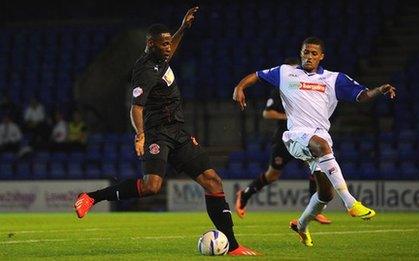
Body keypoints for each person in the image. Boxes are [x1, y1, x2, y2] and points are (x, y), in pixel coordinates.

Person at [73, 7, 259, 256]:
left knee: (213, 181)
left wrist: (182, 28)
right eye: (164, 44)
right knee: (152, 187)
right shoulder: (144, 70)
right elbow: (136, 107)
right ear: (150, 44)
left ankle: (234, 246)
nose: (169, 47)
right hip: (157, 134)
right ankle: (92, 197)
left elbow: (171, 51)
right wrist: (140, 135)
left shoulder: (160, 58)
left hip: (178, 132)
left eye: (170, 42)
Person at [233, 37, 396, 247]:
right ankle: (350, 202)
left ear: (321, 56)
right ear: (301, 53)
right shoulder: (286, 72)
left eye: (313, 53)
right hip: (296, 136)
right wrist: (239, 87)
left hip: (319, 136)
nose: (308, 56)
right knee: (321, 147)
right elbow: (257, 75)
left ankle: (301, 225)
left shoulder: (333, 79)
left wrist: (380, 89)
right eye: (305, 52)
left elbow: (362, 95)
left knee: (325, 194)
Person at [235, 57, 331, 225]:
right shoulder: (282, 89)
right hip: (284, 138)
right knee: (272, 175)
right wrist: (289, 117)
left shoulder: (308, 89)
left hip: (305, 136)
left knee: (315, 166)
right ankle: (245, 194)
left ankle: (314, 209)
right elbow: (267, 113)